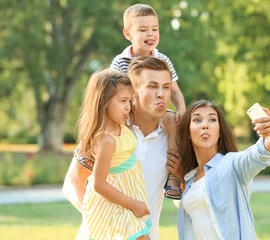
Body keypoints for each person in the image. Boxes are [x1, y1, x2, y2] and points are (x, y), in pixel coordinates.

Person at [63, 56, 182, 240]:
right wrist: (105, 220)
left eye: (166, 87)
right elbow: (73, 182)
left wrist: (181, 176)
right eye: (152, 86)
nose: (162, 94)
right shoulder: (110, 130)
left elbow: (179, 201)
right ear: (134, 92)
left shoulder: (173, 135)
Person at [176, 100, 270, 240]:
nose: (205, 125)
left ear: (220, 131)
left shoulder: (232, 164)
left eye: (212, 120)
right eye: (197, 120)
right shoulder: (190, 178)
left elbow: (257, 155)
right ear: (188, 133)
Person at [110, 4, 185, 199]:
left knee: (173, 122)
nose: (150, 34)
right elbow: (111, 93)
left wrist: (181, 110)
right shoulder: (120, 61)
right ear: (128, 34)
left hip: (154, 111)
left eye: (155, 29)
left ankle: (173, 177)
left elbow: (175, 91)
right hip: (129, 112)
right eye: (143, 30)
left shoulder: (163, 59)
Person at [76, 69, 151, 239]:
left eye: (130, 101)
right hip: (115, 204)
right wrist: (133, 205)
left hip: (127, 198)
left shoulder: (121, 126)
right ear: (103, 102)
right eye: (123, 100)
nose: (128, 106)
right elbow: (99, 184)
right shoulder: (106, 140)